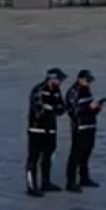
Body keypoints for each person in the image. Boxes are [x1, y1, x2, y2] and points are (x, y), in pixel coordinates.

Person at [25, 67, 67, 196]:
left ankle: (45, 182)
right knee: (34, 158)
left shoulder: (56, 91)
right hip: (37, 129)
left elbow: (61, 109)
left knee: (48, 156)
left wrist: (52, 108)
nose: (60, 82)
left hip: (51, 129)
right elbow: (39, 110)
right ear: (51, 79)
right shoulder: (38, 90)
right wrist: (52, 109)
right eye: (58, 79)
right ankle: (31, 187)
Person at [63, 69, 103, 192]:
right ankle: (71, 181)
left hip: (90, 126)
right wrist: (89, 107)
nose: (89, 83)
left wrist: (97, 108)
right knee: (76, 154)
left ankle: (84, 178)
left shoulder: (86, 91)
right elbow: (74, 111)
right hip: (79, 128)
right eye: (87, 80)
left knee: (86, 153)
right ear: (80, 79)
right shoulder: (73, 91)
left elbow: (89, 110)